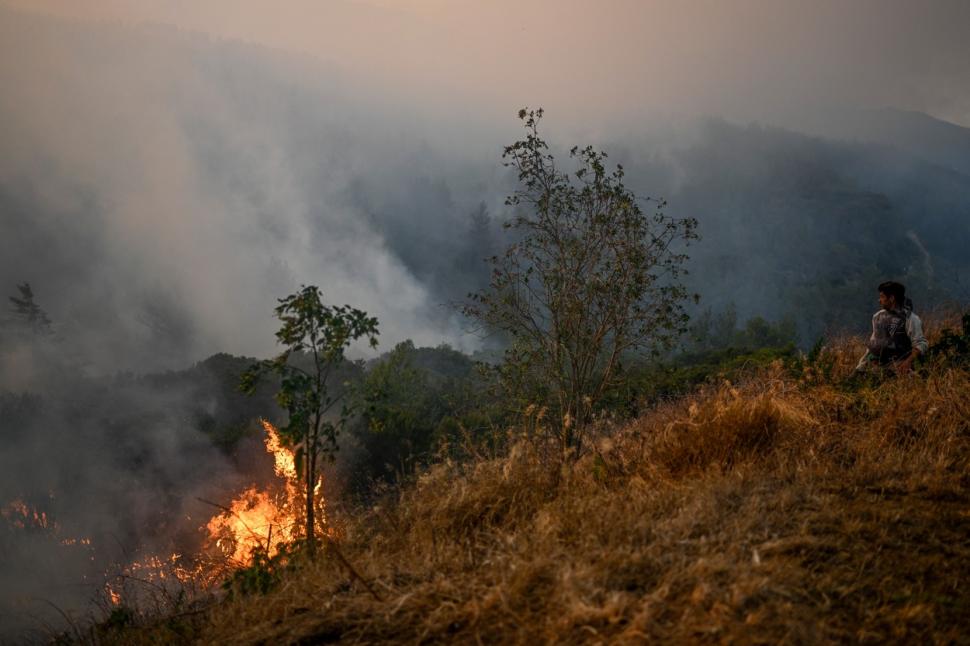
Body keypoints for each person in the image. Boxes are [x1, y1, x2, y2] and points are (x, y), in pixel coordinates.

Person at [856, 281, 928, 374]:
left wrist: (907, 362)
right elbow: (874, 341)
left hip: (898, 363)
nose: (879, 300)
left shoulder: (910, 319)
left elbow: (921, 344)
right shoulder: (877, 316)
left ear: (891, 298)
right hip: (875, 363)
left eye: (882, 297)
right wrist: (864, 361)